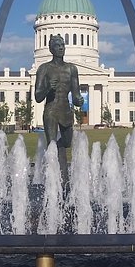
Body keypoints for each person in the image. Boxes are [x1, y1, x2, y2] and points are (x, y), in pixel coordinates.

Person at [35, 34, 84, 186]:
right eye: (57, 45)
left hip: (65, 110)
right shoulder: (44, 68)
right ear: (51, 49)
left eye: (62, 45)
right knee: (52, 147)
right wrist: (49, 87)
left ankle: (61, 173)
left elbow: (76, 95)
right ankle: (58, 181)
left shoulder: (72, 69)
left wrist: (78, 101)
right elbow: (37, 96)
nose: (61, 48)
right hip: (51, 110)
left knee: (66, 143)